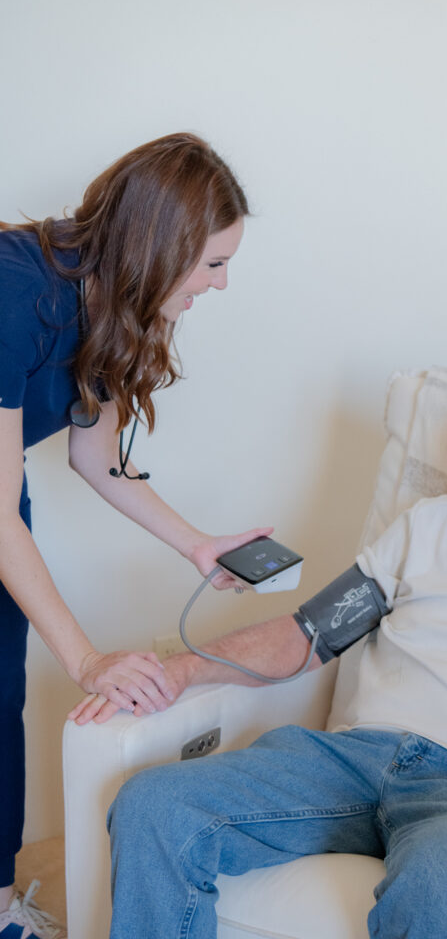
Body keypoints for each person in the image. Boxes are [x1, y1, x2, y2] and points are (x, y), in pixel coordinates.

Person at [93, 370, 447, 939]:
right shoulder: (428, 527)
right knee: (156, 805)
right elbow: (310, 634)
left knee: (439, 886)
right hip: (348, 761)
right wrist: (181, 670)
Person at [0, 133, 271, 939]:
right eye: (213, 263)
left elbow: (94, 457)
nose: (221, 283)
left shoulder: (116, 305)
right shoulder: (14, 290)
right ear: (162, 246)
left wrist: (196, 544)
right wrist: (85, 660)